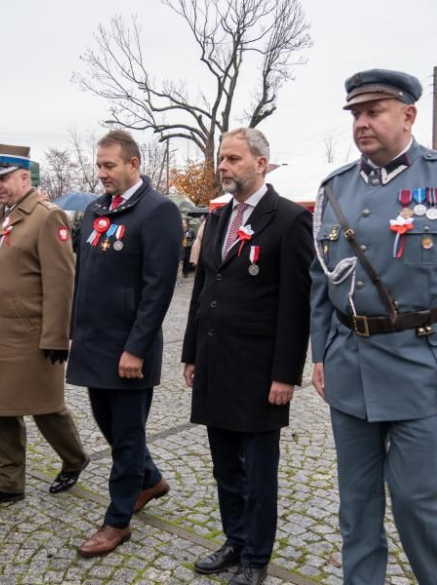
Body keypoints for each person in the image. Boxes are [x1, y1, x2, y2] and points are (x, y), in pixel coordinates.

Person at [310, 69, 437, 584]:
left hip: (428, 375)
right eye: (356, 114)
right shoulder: (335, 189)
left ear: (409, 115)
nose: (362, 123)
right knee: (356, 505)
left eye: (374, 112)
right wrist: (321, 354)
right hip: (351, 370)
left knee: (419, 503)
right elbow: (321, 282)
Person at [181, 128, 313, 585]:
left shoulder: (290, 219)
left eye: (234, 158)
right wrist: (192, 351)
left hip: (259, 372)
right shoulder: (218, 218)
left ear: (261, 163)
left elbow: (296, 306)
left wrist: (285, 375)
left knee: (258, 472)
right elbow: (204, 288)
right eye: (222, 158)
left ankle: (256, 556)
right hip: (216, 363)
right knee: (224, 467)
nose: (224, 166)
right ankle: (234, 540)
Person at [67, 130, 182, 557]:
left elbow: (158, 289)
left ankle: (117, 520)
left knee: (127, 434)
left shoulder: (158, 212)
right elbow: (85, 276)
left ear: (133, 164)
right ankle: (149, 479)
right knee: (108, 424)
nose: (102, 174)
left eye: (109, 165)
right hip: (93, 343)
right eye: (99, 166)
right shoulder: (98, 209)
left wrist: (137, 348)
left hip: (128, 350)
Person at [0, 144, 89, 510]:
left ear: (25, 177)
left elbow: (61, 282)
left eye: (4, 178)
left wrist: (56, 336)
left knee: (46, 407)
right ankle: (9, 483)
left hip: (30, 335)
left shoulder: (46, 217)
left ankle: (75, 458)